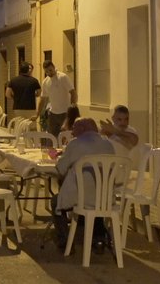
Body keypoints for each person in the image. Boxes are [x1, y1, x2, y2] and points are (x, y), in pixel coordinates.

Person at [53, 118, 117, 250]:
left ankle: (65, 241)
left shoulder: (75, 144)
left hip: (82, 198)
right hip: (105, 198)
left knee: (56, 200)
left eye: (74, 128)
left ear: (82, 129)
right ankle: (98, 237)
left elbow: (61, 169)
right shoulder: (108, 144)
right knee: (95, 195)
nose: (72, 132)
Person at [39, 60, 76, 134]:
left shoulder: (62, 77)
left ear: (54, 67)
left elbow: (73, 92)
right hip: (53, 113)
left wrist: (72, 106)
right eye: (46, 72)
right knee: (51, 136)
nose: (49, 73)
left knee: (65, 135)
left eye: (50, 70)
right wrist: (37, 114)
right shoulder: (45, 82)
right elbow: (42, 99)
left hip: (65, 112)